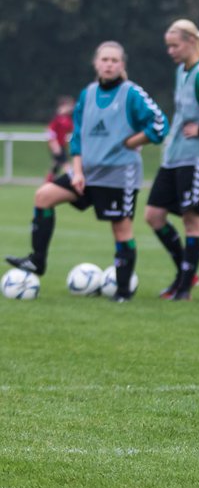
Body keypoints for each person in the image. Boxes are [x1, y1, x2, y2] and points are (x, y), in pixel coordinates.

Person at [6, 41, 168, 300]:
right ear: (96, 63)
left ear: (122, 65)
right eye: (105, 59)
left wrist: (131, 142)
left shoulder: (131, 93)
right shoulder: (88, 93)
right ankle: (37, 261)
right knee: (43, 197)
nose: (109, 64)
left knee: (121, 229)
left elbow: (160, 125)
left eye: (115, 60)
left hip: (119, 173)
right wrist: (77, 171)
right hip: (87, 172)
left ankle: (123, 291)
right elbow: (78, 137)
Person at [144, 19, 199, 300]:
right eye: (168, 46)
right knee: (153, 215)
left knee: (191, 221)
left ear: (191, 42)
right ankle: (185, 273)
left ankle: (184, 288)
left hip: (197, 158)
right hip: (174, 157)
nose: (170, 51)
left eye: (174, 45)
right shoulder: (182, 71)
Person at [45, 95, 75, 182]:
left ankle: (48, 181)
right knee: (65, 164)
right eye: (69, 106)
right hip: (57, 146)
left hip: (62, 145)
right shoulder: (56, 118)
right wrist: (54, 144)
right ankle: (72, 179)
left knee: (56, 164)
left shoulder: (67, 118)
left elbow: (71, 129)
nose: (71, 108)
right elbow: (50, 131)